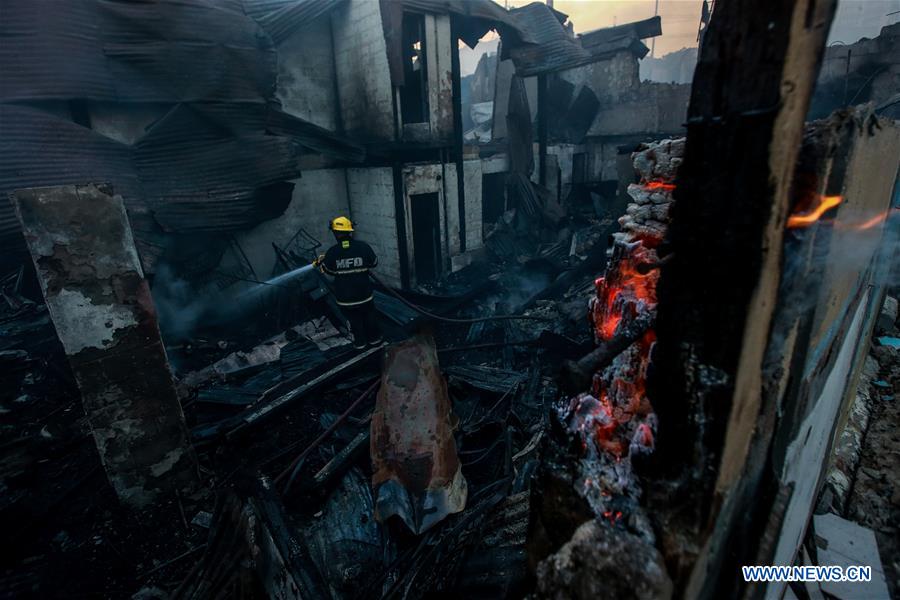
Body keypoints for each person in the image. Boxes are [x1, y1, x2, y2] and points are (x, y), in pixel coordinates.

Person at [317, 216, 382, 349]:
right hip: (364, 295)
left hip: (345, 298)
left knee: (354, 320)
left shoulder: (332, 252)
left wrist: (323, 263)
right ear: (349, 231)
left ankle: (360, 344)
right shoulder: (363, 247)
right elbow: (374, 263)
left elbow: (329, 272)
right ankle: (375, 341)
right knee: (369, 316)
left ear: (335, 233)